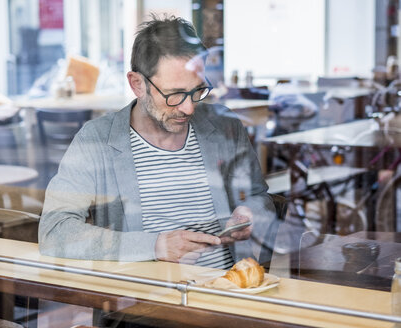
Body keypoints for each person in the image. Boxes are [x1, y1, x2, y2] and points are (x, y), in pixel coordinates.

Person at [39, 15, 275, 269]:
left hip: (228, 291)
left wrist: (249, 212)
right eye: (174, 95)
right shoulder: (97, 140)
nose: (189, 108)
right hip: (144, 301)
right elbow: (55, 231)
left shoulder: (225, 126)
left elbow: (259, 197)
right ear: (137, 84)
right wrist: (155, 246)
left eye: (197, 90)